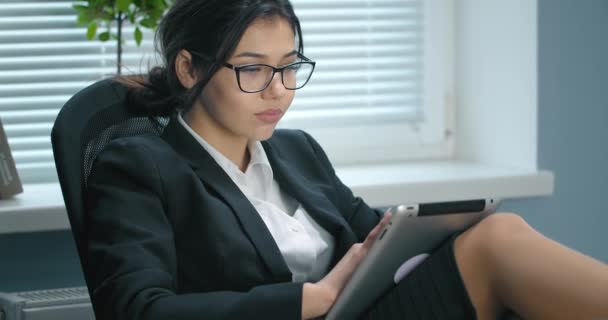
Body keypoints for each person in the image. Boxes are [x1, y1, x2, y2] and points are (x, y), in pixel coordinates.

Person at [83, 0, 608, 319]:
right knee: (497, 243)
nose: (277, 92)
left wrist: (406, 233)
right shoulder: (137, 167)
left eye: (290, 68)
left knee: (497, 233)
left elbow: (369, 240)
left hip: (366, 311)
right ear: (189, 70)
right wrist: (308, 301)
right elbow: (137, 311)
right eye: (252, 70)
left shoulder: (297, 151)